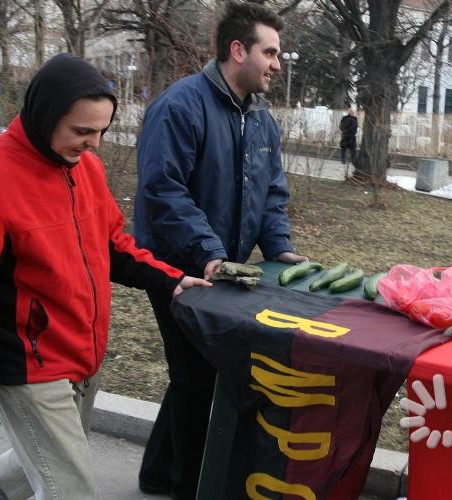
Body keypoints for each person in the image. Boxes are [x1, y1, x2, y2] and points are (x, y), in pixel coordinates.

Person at [0, 53, 210, 500]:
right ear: (44, 116)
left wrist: (171, 279)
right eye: (82, 131)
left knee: (40, 463)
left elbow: (112, 245)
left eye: (101, 131)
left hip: (83, 355)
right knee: (72, 487)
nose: (95, 144)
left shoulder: (85, 168)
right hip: (27, 365)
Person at [133, 2, 307, 497]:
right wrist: (208, 251)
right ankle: (188, 486)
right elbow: (163, 193)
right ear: (238, 50)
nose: (277, 64)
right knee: (195, 376)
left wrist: (279, 247)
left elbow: (271, 191)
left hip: (222, 268)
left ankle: (156, 472)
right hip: (175, 266)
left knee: (197, 371)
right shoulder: (179, 106)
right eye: (269, 52)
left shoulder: (260, 118)